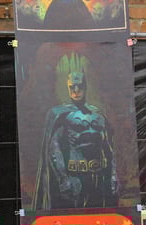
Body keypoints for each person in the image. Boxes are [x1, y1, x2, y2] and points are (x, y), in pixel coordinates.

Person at [33, 64, 117, 210]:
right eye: (72, 87)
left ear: (85, 86)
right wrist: (63, 178)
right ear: (68, 88)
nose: (76, 90)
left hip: (97, 176)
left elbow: (108, 148)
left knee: (97, 215)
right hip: (74, 177)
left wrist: (113, 175)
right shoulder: (60, 114)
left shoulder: (98, 114)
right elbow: (54, 149)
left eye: (80, 86)